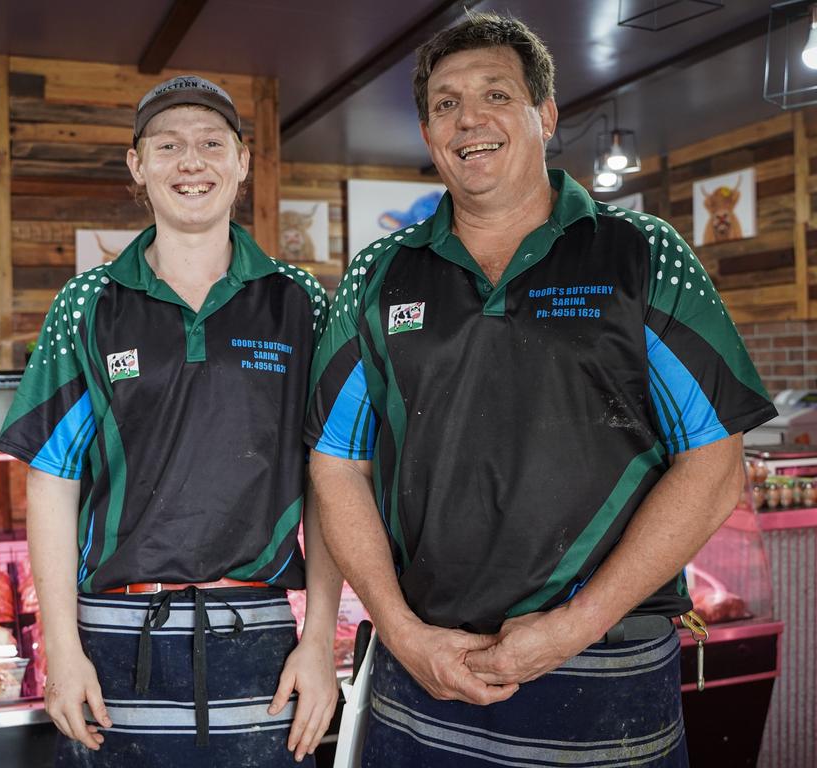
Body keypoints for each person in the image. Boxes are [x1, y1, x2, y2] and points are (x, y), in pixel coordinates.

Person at [306, 11, 776, 768]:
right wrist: (397, 628)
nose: (469, 120)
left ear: (546, 115)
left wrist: (574, 626)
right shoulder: (377, 275)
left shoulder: (642, 253)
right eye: (446, 104)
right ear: (429, 135)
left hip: (604, 674)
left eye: (496, 94)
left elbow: (715, 465)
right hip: (423, 671)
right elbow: (336, 463)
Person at [0, 74, 341, 766]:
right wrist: (60, 648)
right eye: (168, 145)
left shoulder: (298, 300)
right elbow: (53, 482)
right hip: (116, 641)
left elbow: (332, 477)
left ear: (242, 162)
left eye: (212, 143)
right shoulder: (88, 302)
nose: (191, 162)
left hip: (262, 641)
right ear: (138, 165)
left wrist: (320, 642)